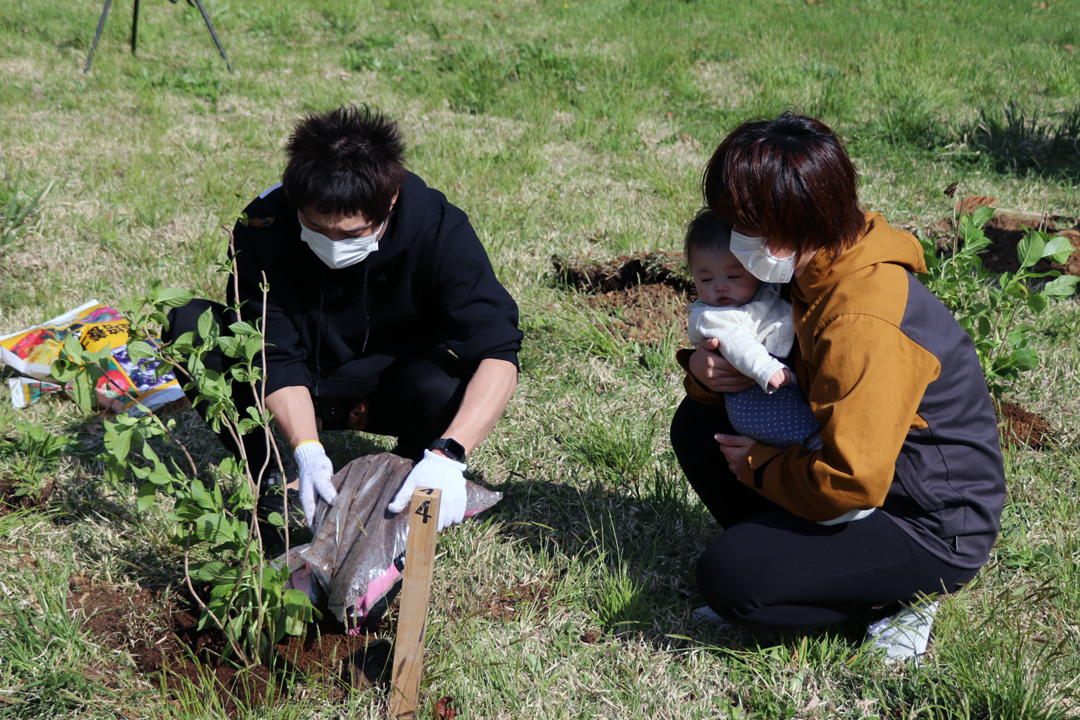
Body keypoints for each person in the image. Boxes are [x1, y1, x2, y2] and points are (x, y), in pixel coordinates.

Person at [670, 113, 1005, 660]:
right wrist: (706, 378)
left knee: (731, 578)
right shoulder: (816, 262)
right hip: (852, 462)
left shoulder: (861, 320)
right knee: (698, 423)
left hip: (927, 520)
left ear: (785, 225)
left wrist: (758, 465)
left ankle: (900, 596)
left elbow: (854, 481)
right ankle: (820, 566)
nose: (731, 240)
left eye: (741, 226)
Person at [163, 104, 522, 539]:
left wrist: (449, 453)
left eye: (351, 234)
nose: (333, 245)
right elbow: (268, 348)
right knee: (190, 326)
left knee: (445, 380)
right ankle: (271, 477)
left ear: (390, 198)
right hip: (298, 383)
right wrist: (307, 448)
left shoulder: (439, 230)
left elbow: (498, 350)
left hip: (387, 387)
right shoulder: (263, 226)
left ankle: (409, 476)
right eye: (316, 227)